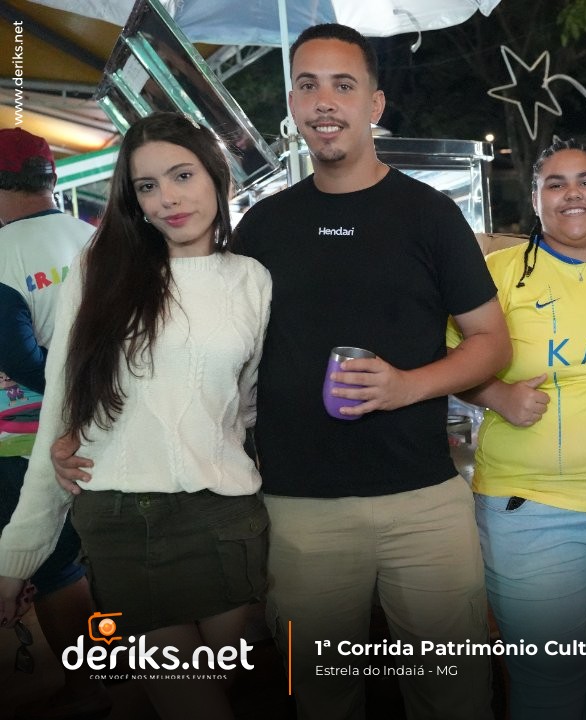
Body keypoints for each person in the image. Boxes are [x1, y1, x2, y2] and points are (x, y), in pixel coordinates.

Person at [55, 23, 507, 720]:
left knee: (453, 693)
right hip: (298, 511)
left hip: (423, 501)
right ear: (292, 105)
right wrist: (90, 435)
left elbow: (492, 343)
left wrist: (407, 385)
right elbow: (189, 354)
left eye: (343, 85)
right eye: (307, 85)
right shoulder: (261, 229)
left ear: (375, 104)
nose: (324, 101)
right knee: (321, 696)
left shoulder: (431, 215)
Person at [0, 112, 272, 720]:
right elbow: (60, 416)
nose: (167, 198)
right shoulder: (100, 272)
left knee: (216, 691)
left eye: (182, 175)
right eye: (147, 185)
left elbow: (246, 408)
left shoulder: (251, 280)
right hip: (124, 526)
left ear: (217, 176)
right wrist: (15, 558)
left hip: (224, 520)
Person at [453, 138, 586, 719]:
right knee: (551, 679)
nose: (573, 193)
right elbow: (445, 356)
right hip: (534, 508)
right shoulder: (496, 274)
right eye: (556, 183)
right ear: (536, 200)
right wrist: (496, 394)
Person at [0, 127, 110, 718]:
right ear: (51, 178)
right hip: (105, 429)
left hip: (28, 442)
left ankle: (91, 687)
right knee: (92, 559)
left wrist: (74, 386)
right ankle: (117, 678)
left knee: (51, 565)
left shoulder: (3, 253)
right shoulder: (94, 238)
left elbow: (18, 357)